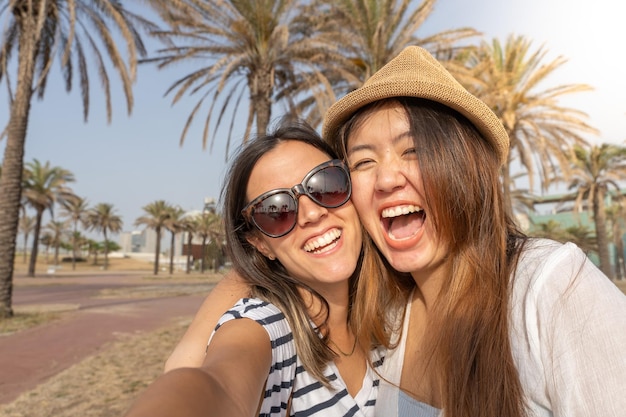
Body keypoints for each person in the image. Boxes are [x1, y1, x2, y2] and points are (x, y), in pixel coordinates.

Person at [164, 46, 626, 417]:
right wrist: (189, 354)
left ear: (468, 168)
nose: (386, 180)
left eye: (413, 151)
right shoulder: (389, 314)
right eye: (363, 162)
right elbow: (217, 383)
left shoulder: (548, 288)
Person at [123, 119, 406, 417]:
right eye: (276, 211)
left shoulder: (392, 313)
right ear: (260, 242)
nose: (311, 213)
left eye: (326, 185)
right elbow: (218, 384)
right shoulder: (267, 328)